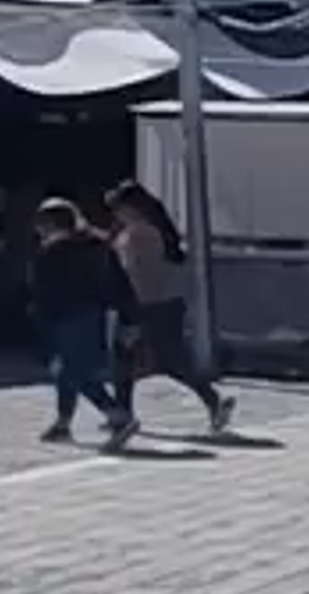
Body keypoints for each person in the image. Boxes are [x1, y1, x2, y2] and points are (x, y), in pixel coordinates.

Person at [106, 173, 235, 437]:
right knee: (140, 359)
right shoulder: (158, 230)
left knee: (157, 360)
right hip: (164, 302)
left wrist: (132, 312)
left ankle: (212, 401)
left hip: (145, 303)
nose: (117, 216)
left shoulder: (139, 234)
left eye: (118, 210)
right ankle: (122, 412)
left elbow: (138, 275)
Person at [33, 196, 139, 444]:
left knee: (73, 370)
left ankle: (117, 415)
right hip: (96, 313)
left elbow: (43, 293)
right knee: (68, 368)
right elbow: (119, 281)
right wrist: (130, 315)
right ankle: (63, 422)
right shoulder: (99, 245)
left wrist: (41, 328)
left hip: (66, 315)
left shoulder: (51, 253)